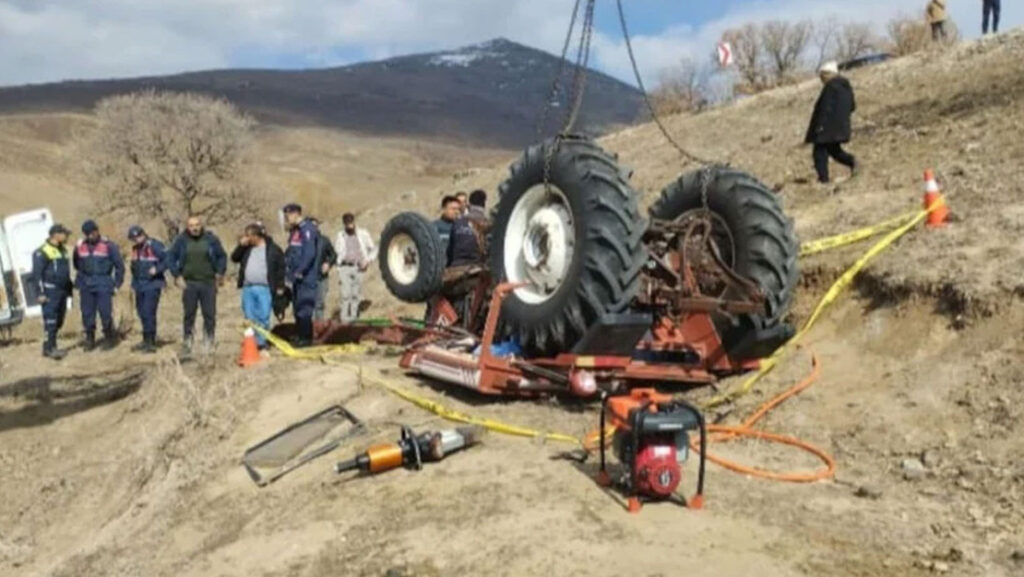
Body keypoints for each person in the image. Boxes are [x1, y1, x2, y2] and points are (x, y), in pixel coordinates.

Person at [169, 215, 227, 355]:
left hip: (208, 283)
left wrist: (220, 272)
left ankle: (209, 341)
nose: (195, 228)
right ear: (187, 227)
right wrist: (177, 275)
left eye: (197, 225)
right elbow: (170, 257)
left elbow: (222, 256)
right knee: (189, 314)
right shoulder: (181, 241)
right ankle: (188, 341)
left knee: (209, 314)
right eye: (191, 225)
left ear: (201, 225)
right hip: (189, 283)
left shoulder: (211, 239)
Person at [231, 223, 286, 350]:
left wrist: (280, 285)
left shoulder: (273, 249)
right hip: (248, 287)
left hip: (265, 288)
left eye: (248, 236)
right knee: (249, 316)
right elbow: (234, 258)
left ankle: (261, 343)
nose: (246, 238)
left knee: (263, 316)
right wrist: (240, 246)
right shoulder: (247, 248)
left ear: (256, 236)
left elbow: (281, 269)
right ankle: (251, 342)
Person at [73, 219, 125, 351]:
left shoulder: (108, 246)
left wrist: (117, 283)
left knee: (105, 312)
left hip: (103, 283)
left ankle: (109, 337)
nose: (92, 235)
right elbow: (76, 263)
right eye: (88, 234)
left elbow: (119, 266)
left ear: (97, 231)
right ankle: (90, 339)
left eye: (93, 232)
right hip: (86, 284)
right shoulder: (80, 246)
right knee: (87, 314)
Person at [805, 61, 858, 185]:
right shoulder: (846, 87)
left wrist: (820, 126)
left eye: (822, 75)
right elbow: (853, 106)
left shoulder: (830, 87)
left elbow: (825, 108)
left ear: (828, 74)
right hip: (840, 127)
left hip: (827, 128)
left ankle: (823, 179)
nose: (821, 78)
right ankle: (853, 162)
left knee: (819, 151)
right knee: (834, 151)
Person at [31, 224, 73, 360]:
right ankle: (50, 348)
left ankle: (48, 345)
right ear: (56, 235)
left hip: (62, 291)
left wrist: (69, 288)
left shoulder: (63, 250)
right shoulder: (42, 251)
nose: (66, 236)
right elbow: (37, 275)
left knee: (59, 320)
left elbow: (65, 272)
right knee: (51, 319)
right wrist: (40, 293)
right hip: (50, 291)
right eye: (64, 234)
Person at [283, 203, 321, 347]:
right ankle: (299, 335)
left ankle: (306, 338)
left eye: (289, 215)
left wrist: (300, 271)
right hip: (295, 277)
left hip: (306, 277)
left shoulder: (307, 229)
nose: (287, 219)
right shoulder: (294, 231)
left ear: (296, 214)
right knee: (297, 308)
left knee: (305, 308)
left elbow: (309, 254)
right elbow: (291, 253)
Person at [127, 226, 168, 353]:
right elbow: (134, 268)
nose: (136, 239)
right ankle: (145, 338)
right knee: (141, 312)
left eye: (138, 236)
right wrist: (133, 285)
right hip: (139, 285)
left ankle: (151, 341)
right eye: (134, 238)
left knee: (149, 311)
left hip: (153, 284)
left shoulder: (155, 245)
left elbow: (168, 259)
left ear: (144, 234)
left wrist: (157, 269)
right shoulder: (135, 249)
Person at [335, 212, 378, 323]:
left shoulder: (363, 234)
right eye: (347, 224)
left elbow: (374, 248)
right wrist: (338, 265)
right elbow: (337, 252)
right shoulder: (340, 235)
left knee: (355, 294)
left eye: (351, 223)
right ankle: (344, 319)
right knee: (345, 294)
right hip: (345, 267)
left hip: (358, 267)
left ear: (354, 222)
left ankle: (353, 318)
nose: (349, 226)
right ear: (344, 224)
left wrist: (368, 261)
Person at [448, 189, 490, 267]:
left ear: (469, 204)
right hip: (477, 267)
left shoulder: (458, 222)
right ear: (484, 204)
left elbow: (450, 249)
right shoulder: (487, 223)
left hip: (456, 266)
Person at [311, 217, 337, 322]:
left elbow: (333, 255)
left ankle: (319, 328)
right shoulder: (303, 241)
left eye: (315, 225)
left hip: (321, 278)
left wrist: (328, 263)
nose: (313, 228)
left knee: (319, 304)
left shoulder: (324, 241)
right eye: (311, 226)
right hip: (308, 280)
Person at [434, 195, 461, 263]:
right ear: (444, 209)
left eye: (458, 209)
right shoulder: (435, 227)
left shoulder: (461, 227)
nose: (456, 212)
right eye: (453, 209)